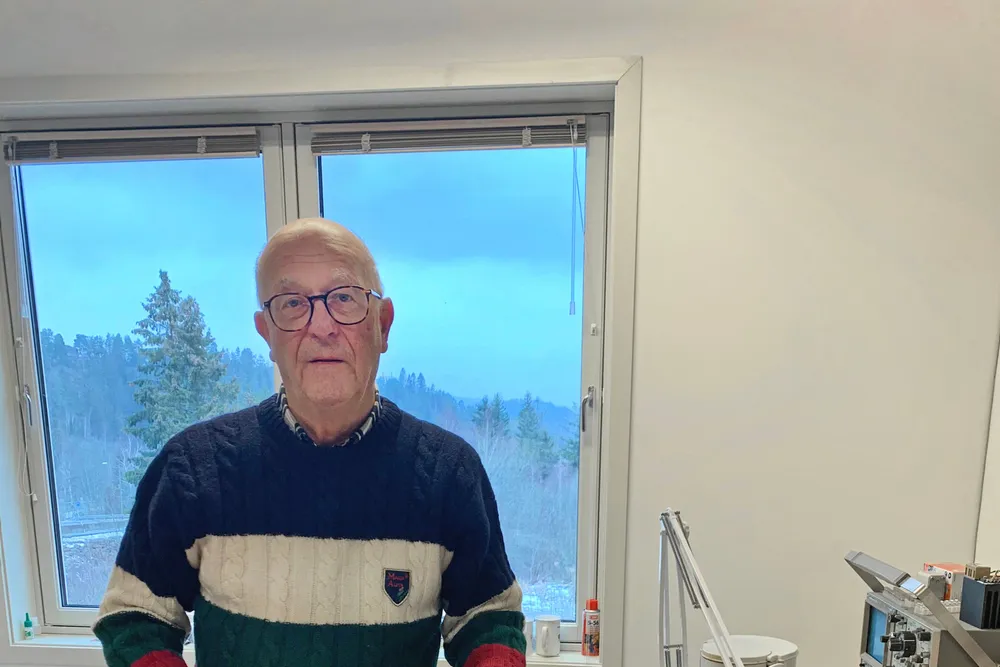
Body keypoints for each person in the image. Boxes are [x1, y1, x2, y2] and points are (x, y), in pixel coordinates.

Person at [94, 218, 527, 667]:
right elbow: (135, 614)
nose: (321, 327)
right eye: (292, 303)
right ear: (267, 333)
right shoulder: (192, 468)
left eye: (344, 298)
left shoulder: (449, 472)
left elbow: (487, 618)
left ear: (383, 325)